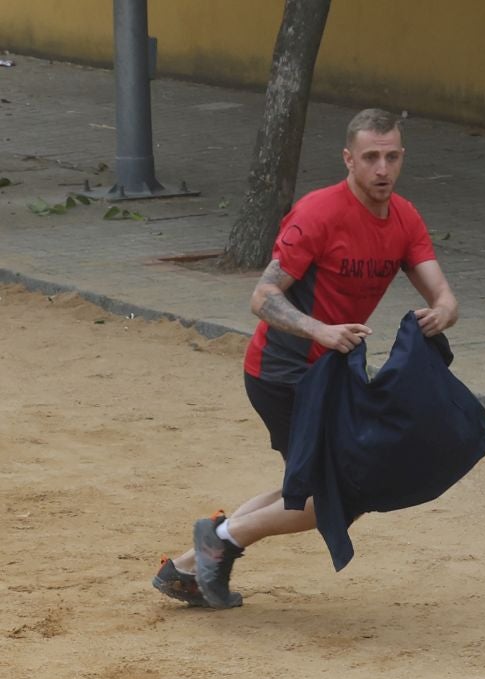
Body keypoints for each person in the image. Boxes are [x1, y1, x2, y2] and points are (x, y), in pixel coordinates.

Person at [153, 107, 459, 609]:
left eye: (392, 157)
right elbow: (263, 296)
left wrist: (441, 312)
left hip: (331, 373)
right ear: (348, 159)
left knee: (314, 487)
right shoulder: (319, 212)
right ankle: (221, 541)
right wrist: (321, 329)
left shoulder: (404, 218)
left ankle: (189, 565)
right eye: (371, 158)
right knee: (339, 493)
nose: (382, 168)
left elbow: (443, 294)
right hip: (283, 370)